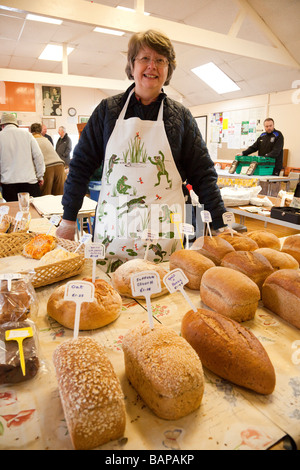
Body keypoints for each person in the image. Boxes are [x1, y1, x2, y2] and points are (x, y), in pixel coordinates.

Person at [56, 29, 227, 269]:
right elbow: (81, 165)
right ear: (132, 65)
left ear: (168, 69)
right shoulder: (107, 111)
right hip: (114, 233)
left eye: (160, 60)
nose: (152, 66)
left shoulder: (181, 117)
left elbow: (203, 174)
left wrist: (219, 222)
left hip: (163, 235)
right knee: (111, 294)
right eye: (144, 58)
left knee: (166, 298)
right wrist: (68, 218)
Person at [0, 113, 45, 202]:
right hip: (29, 182)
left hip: (8, 184)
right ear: (16, 124)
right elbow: (38, 156)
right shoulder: (27, 135)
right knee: (33, 213)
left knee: (13, 213)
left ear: (2, 125)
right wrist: (40, 176)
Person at [30, 123, 65, 196]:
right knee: (58, 196)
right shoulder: (46, 139)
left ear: (30, 130)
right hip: (60, 166)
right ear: (40, 131)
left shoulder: (32, 140)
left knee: (45, 197)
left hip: (47, 167)